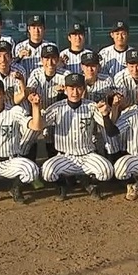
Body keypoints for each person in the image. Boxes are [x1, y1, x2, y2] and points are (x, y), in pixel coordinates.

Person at [39, 72, 115, 200]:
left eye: (78, 88)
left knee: (107, 170)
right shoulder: (57, 107)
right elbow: (40, 125)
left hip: (87, 155)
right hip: (64, 156)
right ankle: (62, 186)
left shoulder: (91, 106)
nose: (75, 92)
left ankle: (91, 184)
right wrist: (37, 108)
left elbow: (111, 131)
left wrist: (106, 115)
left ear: (83, 89)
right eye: (71, 88)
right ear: (65, 89)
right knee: (46, 172)